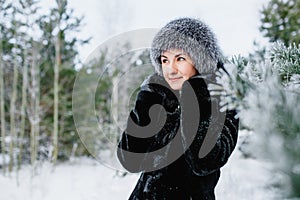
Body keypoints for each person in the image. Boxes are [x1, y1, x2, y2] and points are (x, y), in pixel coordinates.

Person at [117, 17, 239, 200]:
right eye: (165, 60)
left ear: (200, 59)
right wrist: (144, 105)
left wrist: (196, 96)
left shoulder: (222, 102)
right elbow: (130, 161)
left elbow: (203, 162)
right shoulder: (160, 99)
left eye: (180, 58)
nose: (170, 69)